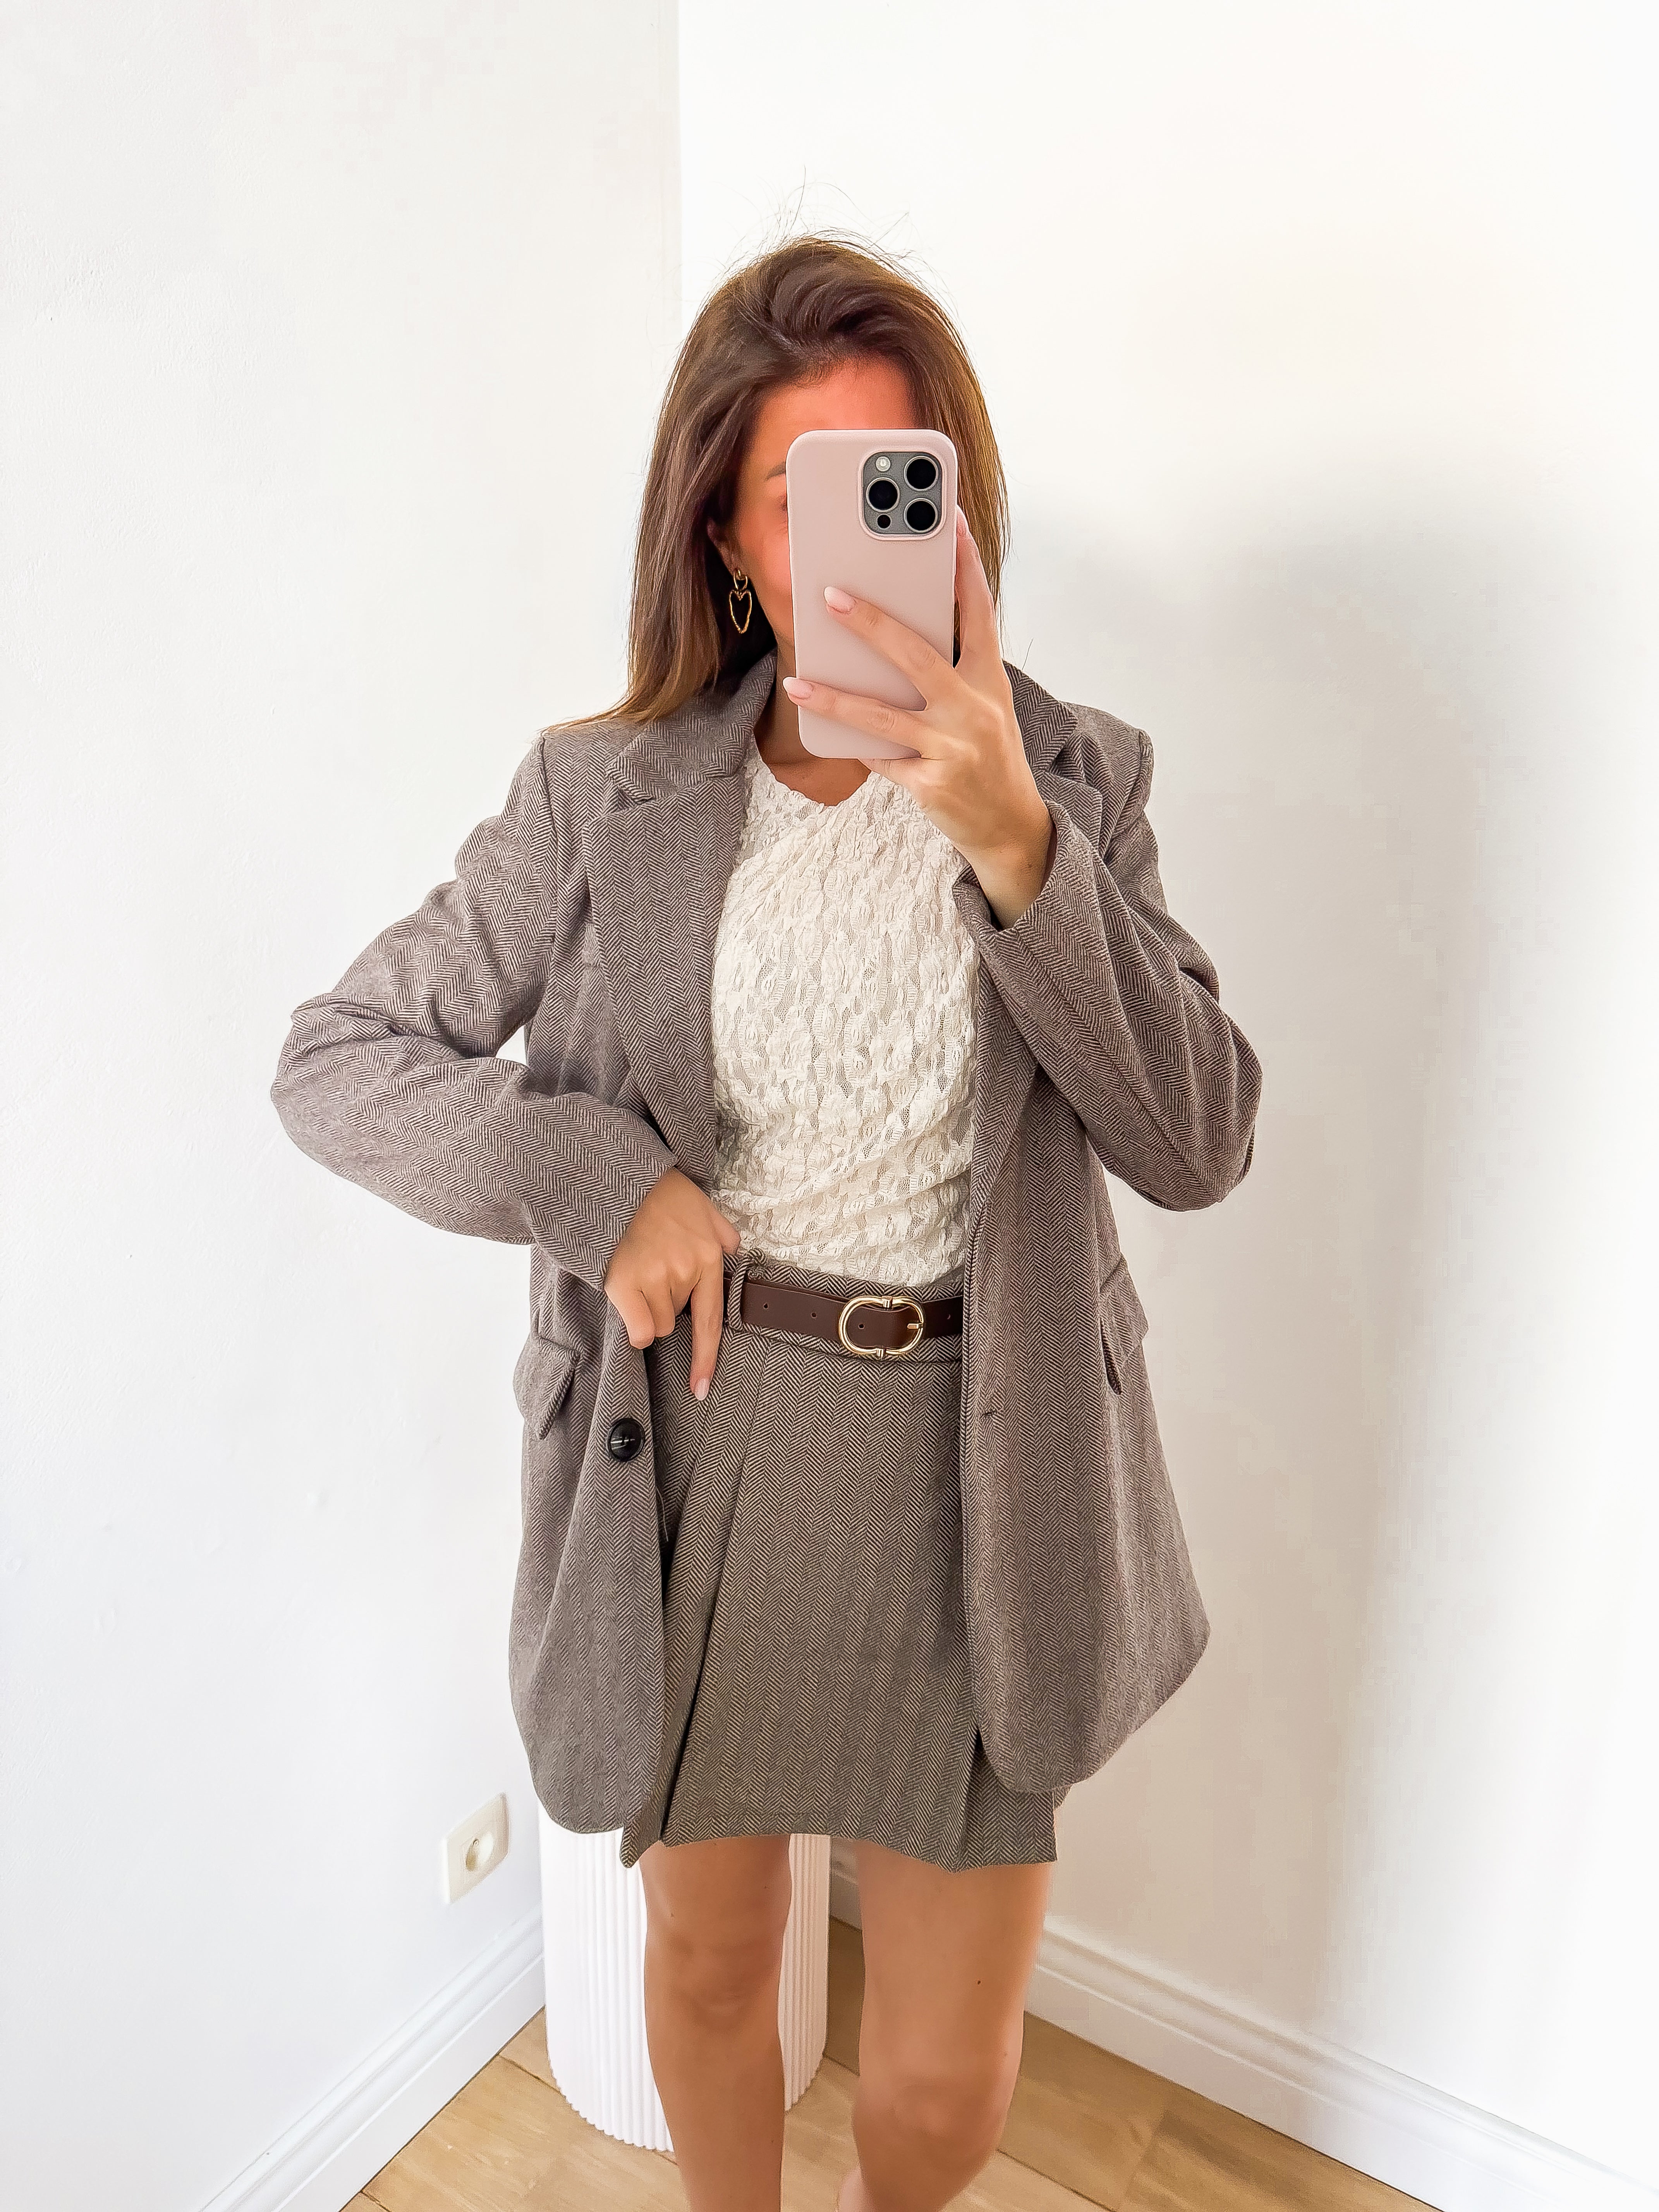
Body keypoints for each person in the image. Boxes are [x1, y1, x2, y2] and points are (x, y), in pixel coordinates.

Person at [271, 233, 1262, 2212]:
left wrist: (1019, 847)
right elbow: (338, 1058)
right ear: (728, 534)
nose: (859, 544)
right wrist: (597, 1178)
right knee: (714, 1972)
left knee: (941, 2072)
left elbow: (1197, 1139)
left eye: (903, 481)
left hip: (985, 1483)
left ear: (960, 509)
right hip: (695, 1462)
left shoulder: (1079, 780)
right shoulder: (597, 796)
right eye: (805, 496)